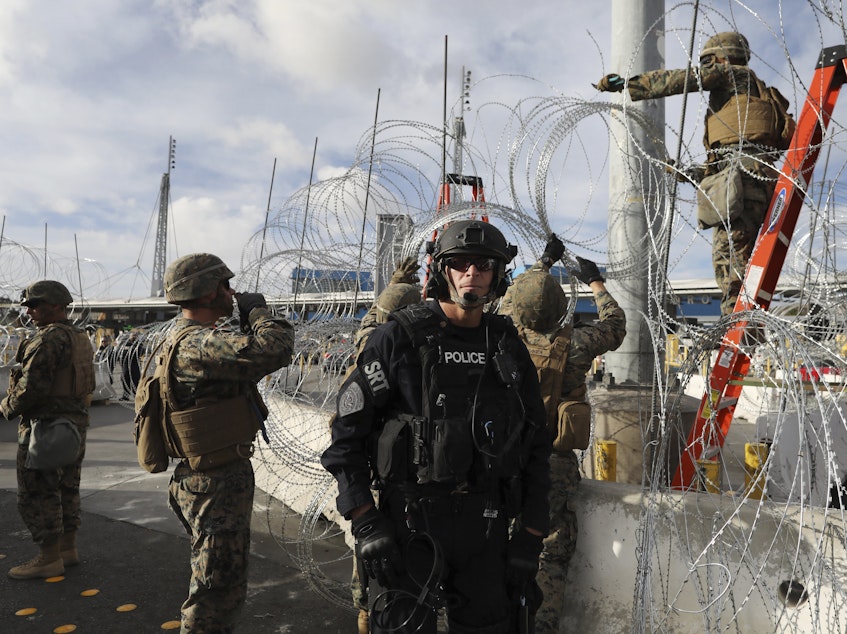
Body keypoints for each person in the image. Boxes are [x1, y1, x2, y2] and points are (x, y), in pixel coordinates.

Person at [321, 219, 552, 634]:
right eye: (460, 263)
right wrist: (366, 519)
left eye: (484, 265)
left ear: (499, 275)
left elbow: (536, 441)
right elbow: (346, 440)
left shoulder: (506, 347)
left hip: (486, 529)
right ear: (441, 270)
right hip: (410, 525)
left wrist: (531, 534)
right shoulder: (397, 340)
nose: (471, 273)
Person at [595, 31, 794, 316]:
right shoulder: (761, 95)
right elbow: (728, 163)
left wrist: (630, 85)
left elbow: (682, 79)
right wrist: (684, 172)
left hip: (742, 183)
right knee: (749, 261)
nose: (706, 68)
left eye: (708, 61)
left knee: (729, 263)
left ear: (720, 58)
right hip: (763, 182)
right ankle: (747, 324)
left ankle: (735, 329)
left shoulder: (731, 75)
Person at [159, 253, 294, 633]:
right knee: (216, 588)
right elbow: (275, 348)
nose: (231, 292)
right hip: (214, 483)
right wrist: (260, 314)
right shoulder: (200, 344)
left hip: (207, 476)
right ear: (204, 291)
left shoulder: (179, 336)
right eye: (223, 285)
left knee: (219, 578)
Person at [499, 235, 626, 632]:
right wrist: (595, 283)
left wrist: (544, 261)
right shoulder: (577, 343)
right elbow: (616, 325)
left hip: (502, 457)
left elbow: (519, 299)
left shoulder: (502, 332)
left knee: (494, 544)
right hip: (552, 463)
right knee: (549, 553)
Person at [1, 280, 95, 579]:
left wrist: (5, 408)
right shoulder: (79, 336)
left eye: (35, 305)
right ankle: (67, 550)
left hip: (44, 428)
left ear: (56, 306)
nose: (29, 311)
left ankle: (48, 557)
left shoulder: (47, 340)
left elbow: (32, 390)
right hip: (74, 424)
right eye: (27, 306)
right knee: (68, 487)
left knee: (36, 492)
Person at [349, 257, 423, 634]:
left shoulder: (368, 336)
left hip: (363, 463)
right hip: (393, 466)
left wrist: (397, 280)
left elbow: (376, 313)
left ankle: (366, 610)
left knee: (369, 550)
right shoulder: (401, 346)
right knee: (389, 556)